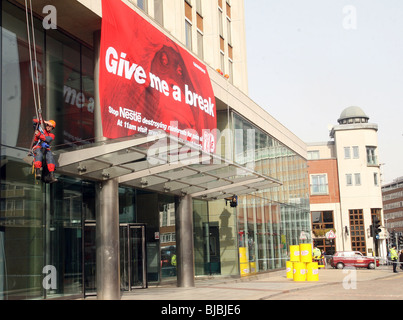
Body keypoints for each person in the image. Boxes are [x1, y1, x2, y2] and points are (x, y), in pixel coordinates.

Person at [32, 118, 58, 184]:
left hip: (45, 148)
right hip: (38, 146)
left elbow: (47, 139)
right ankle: (38, 172)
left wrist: (39, 135)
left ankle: (51, 175)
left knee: (50, 156)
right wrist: (44, 121)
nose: (49, 127)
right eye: (48, 125)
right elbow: (34, 121)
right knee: (39, 154)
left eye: (50, 126)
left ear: (52, 128)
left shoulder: (52, 135)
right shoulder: (41, 130)